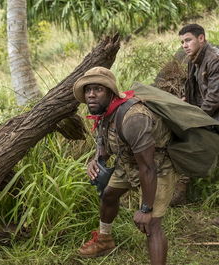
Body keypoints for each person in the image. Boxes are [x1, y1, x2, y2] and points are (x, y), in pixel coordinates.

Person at [73, 67, 178, 265]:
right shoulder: (105, 113)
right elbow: (105, 146)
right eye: (88, 90)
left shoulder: (134, 118)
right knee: (109, 195)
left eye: (98, 89)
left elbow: (148, 168)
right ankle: (105, 239)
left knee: (152, 225)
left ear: (111, 92)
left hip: (157, 167)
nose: (91, 95)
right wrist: (95, 160)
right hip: (128, 163)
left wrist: (146, 209)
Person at [170, 24, 219, 205]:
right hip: (210, 117)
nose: (184, 45)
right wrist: (186, 103)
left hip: (214, 118)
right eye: (182, 42)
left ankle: (182, 191)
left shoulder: (214, 59)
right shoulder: (194, 59)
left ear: (201, 38)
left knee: (189, 139)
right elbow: (196, 91)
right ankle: (180, 190)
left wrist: (194, 119)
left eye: (188, 40)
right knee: (180, 140)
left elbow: (214, 98)